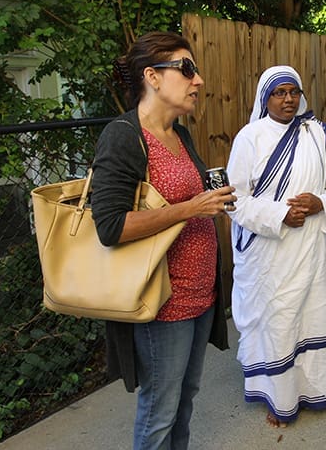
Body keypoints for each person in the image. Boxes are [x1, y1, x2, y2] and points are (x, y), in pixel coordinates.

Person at [91, 31, 236, 449]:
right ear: (152, 77)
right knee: (159, 413)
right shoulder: (124, 136)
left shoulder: (180, 134)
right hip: (162, 305)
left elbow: (188, 199)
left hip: (200, 299)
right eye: (187, 69)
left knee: (184, 403)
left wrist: (212, 201)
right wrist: (191, 208)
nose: (199, 80)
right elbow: (111, 226)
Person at [225, 65, 326, 428]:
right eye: (279, 93)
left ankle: (315, 389)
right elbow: (235, 200)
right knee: (279, 322)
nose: (288, 99)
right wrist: (280, 214)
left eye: (293, 92)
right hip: (270, 257)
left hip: (313, 249)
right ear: (266, 98)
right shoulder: (250, 137)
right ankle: (278, 398)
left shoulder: (317, 135)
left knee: (315, 314)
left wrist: (321, 204)